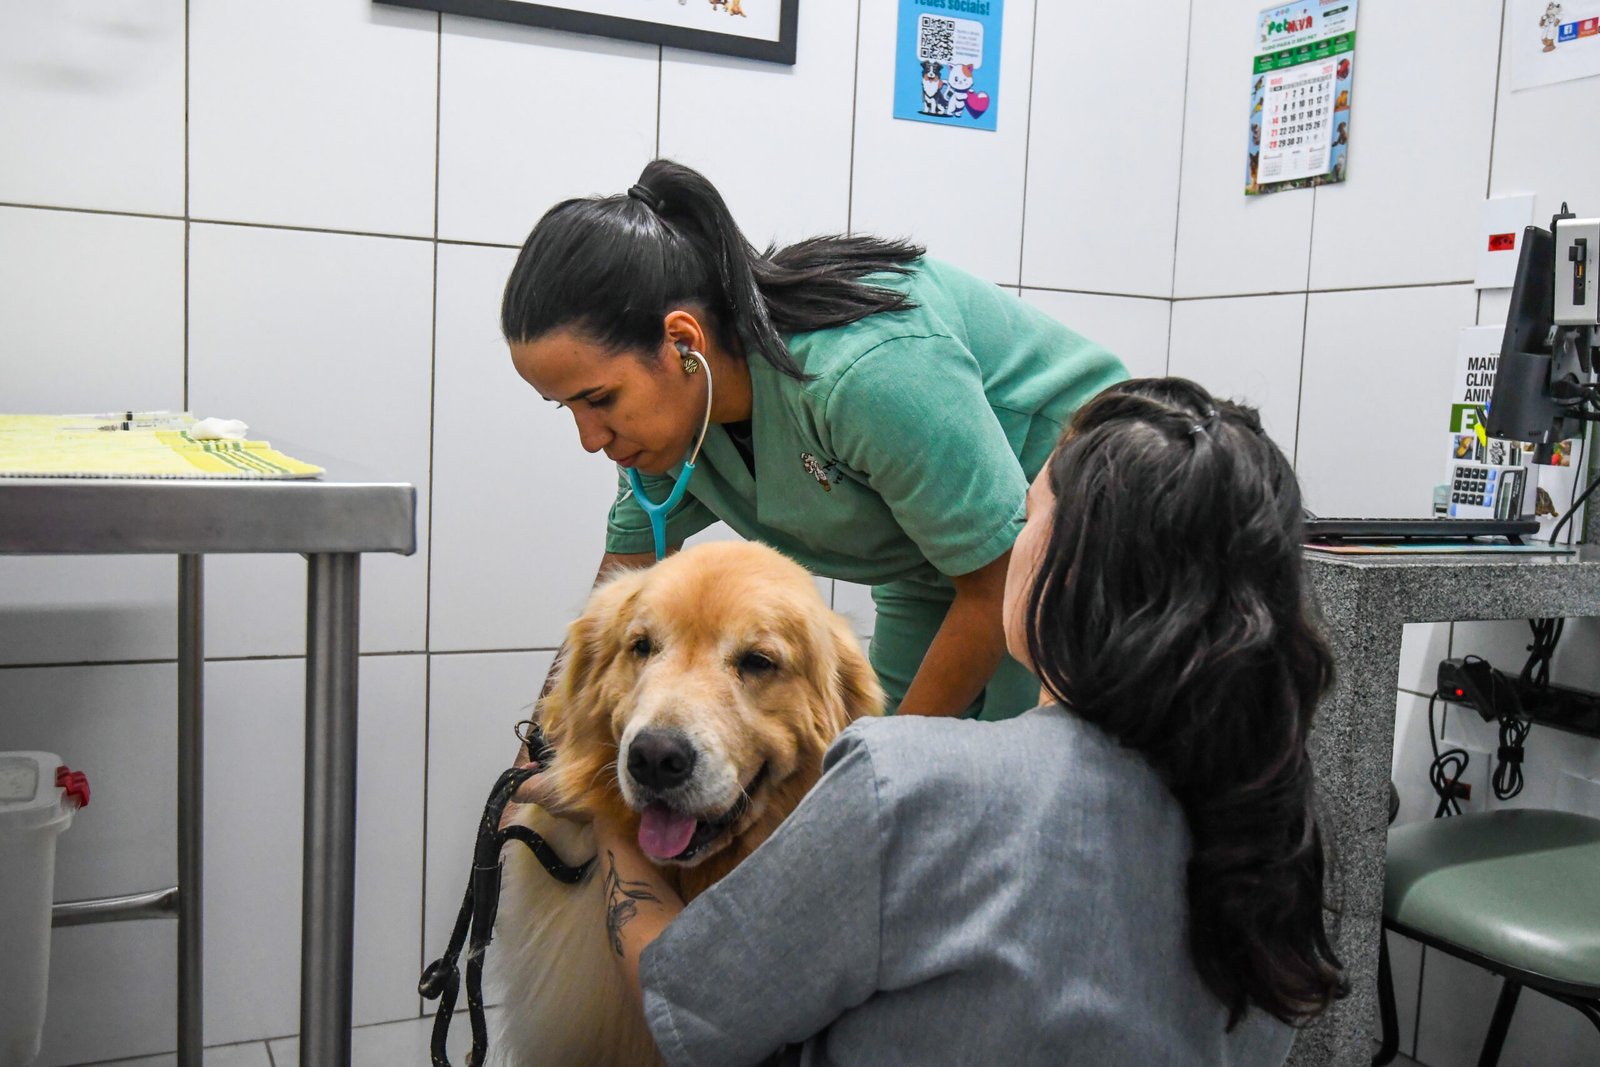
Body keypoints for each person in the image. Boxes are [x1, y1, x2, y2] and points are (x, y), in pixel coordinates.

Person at [524, 377, 1348, 1065]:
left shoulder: (905, 782)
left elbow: (689, 1011)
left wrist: (615, 830)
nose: (1010, 542)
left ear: (1074, 572)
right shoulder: (1274, 829)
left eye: (1031, 518)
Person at [502, 158, 1126, 722]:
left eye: (599, 399)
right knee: (886, 755)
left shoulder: (866, 371)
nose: (590, 438)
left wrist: (882, 778)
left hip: (1078, 540)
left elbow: (998, 576)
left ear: (683, 345)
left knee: (995, 779)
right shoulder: (674, 427)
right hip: (937, 566)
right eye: (569, 409)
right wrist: (543, 746)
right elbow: (613, 601)